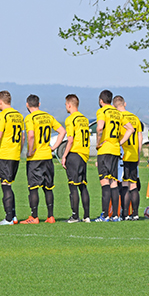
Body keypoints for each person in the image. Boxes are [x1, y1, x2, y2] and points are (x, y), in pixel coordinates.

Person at [22, 94, 66, 224]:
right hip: (47, 157)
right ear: (39, 104)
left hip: (35, 158)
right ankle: (50, 216)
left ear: (27, 105)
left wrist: (30, 151)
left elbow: (31, 136)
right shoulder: (48, 116)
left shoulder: (30, 118)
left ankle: (34, 217)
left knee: (33, 188)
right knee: (48, 187)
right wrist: (54, 147)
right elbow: (62, 132)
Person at [95, 90, 132, 222]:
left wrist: (98, 143)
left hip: (105, 150)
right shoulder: (117, 112)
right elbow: (130, 129)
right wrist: (119, 142)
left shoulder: (102, 111)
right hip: (116, 150)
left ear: (101, 101)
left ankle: (105, 215)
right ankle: (115, 215)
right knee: (114, 182)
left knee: (104, 181)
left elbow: (100, 128)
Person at [0, 91, 22, 225]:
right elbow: (22, 136)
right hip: (15, 155)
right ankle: (13, 216)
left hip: (5, 155)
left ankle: (8, 218)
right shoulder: (18, 115)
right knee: (9, 184)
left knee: (5, 185)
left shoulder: (2, 116)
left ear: (0, 102)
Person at [61, 94, 91, 223]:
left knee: (73, 186)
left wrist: (64, 155)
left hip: (74, 154)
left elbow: (70, 140)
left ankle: (75, 216)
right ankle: (87, 216)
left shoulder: (70, 119)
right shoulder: (84, 119)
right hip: (84, 155)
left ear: (69, 105)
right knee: (83, 185)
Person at [114, 95, 141, 220]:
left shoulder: (119, 118)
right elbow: (140, 137)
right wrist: (139, 153)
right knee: (133, 184)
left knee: (125, 184)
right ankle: (135, 213)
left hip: (124, 154)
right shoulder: (135, 118)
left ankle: (124, 213)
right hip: (134, 154)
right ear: (124, 104)